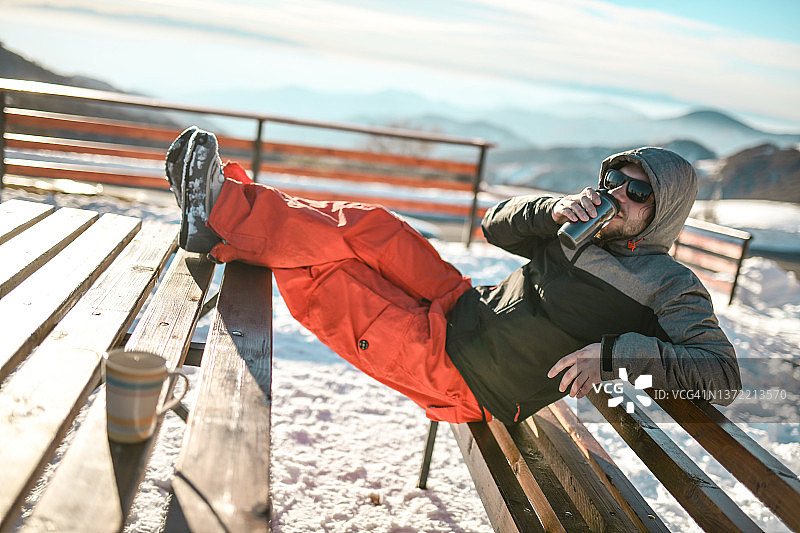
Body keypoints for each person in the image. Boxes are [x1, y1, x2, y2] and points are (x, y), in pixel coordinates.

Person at [165, 127, 741, 425]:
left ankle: (217, 224)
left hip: (464, 373)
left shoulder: (670, 285)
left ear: (664, 210)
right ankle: (223, 203)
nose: (617, 194)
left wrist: (614, 356)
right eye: (614, 179)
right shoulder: (583, 228)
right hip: (462, 302)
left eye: (636, 190)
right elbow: (494, 227)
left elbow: (723, 376)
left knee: (329, 272)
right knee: (372, 226)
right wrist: (552, 211)